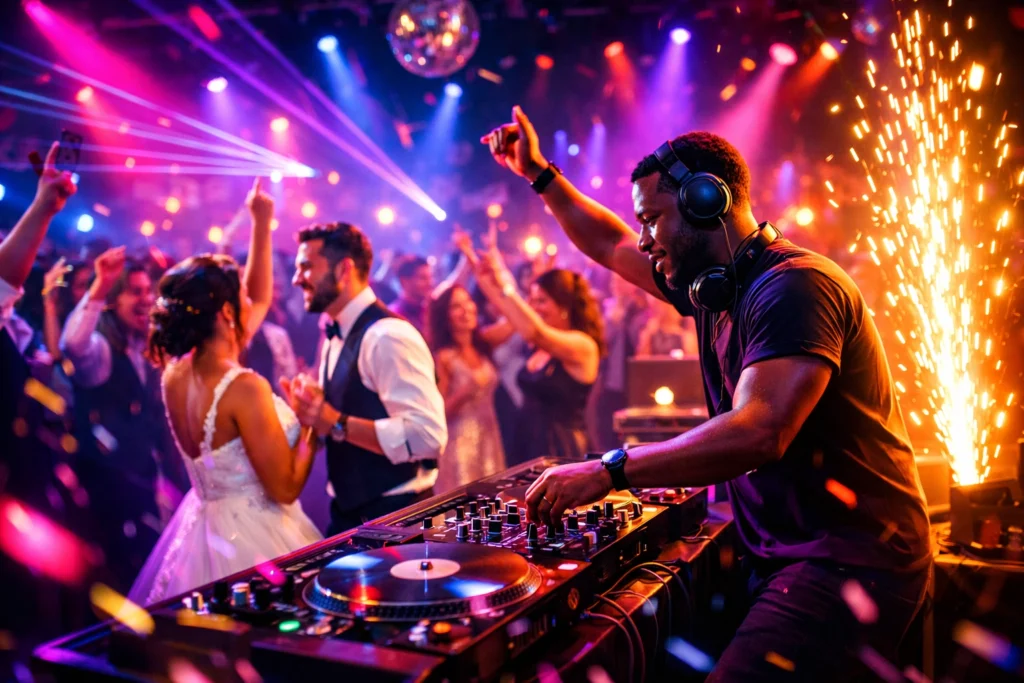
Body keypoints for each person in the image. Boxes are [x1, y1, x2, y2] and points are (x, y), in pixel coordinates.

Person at [482, 107, 931, 681]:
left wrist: (610, 470)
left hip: (849, 560)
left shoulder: (794, 285)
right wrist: (540, 175)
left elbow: (760, 430)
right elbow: (608, 243)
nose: (643, 239)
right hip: (789, 552)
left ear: (705, 201)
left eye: (653, 220)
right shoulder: (712, 289)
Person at [129, 179, 321, 605]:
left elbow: (259, 293)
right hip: (257, 541)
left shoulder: (175, 372)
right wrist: (312, 427)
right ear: (228, 312)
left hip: (203, 526)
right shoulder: (243, 387)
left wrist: (261, 223)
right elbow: (285, 488)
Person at [286, 221, 447, 535]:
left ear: (344, 269)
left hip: (400, 519)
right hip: (351, 515)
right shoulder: (335, 332)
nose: (296, 279)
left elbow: (428, 436)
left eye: (306, 267)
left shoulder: (387, 335)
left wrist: (335, 422)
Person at [460, 236, 604, 465]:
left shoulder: (582, 345)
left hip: (561, 451)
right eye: (533, 300)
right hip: (526, 444)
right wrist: (486, 279)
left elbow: (532, 330)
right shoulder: (539, 346)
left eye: (542, 301)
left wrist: (503, 285)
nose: (534, 307)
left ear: (564, 305)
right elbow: (515, 315)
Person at [427, 284, 506, 493]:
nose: (466, 309)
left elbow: (515, 323)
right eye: (456, 306)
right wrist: (463, 394)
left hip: (490, 437)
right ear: (445, 315)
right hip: (459, 445)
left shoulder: (483, 343)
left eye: (468, 302)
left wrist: (497, 282)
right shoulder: (443, 358)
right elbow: (438, 415)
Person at [391, 255, 433, 332]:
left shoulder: (428, 310)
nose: (430, 283)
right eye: (423, 278)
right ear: (404, 282)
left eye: (430, 278)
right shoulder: (396, 316)